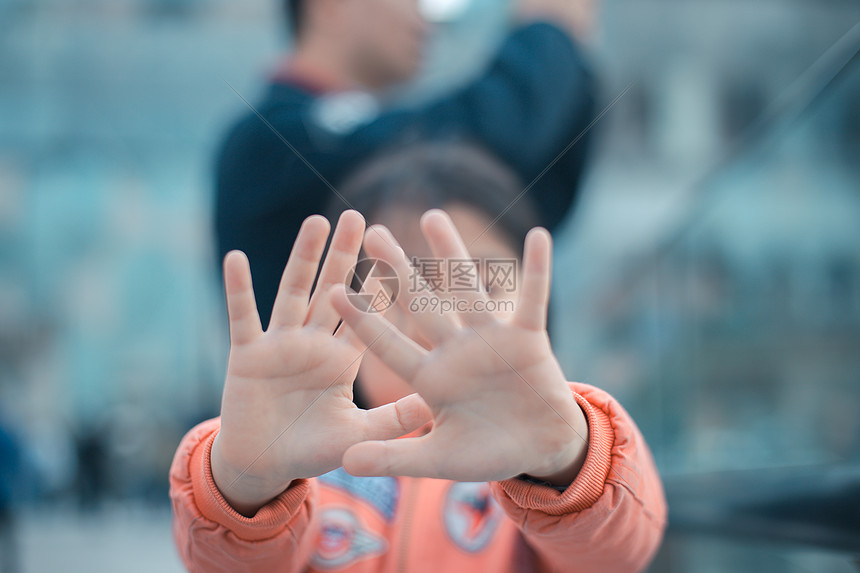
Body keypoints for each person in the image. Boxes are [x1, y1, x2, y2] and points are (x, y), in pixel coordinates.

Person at [171, 144, 666, 572]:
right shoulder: (304, 467)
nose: (435, 312)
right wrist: (247, 484)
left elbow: (617, 557)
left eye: (479, 285)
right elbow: (225, 565)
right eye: (394, 288)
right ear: (337, 313)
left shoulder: (554, 454)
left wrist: (566, 459)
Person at [215, 0, 599, 328]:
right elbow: (495, 133)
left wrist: (563, 51)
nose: (425, 20)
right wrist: (548, 29)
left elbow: (532, 189)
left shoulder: (341, 136)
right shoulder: (269, 140)